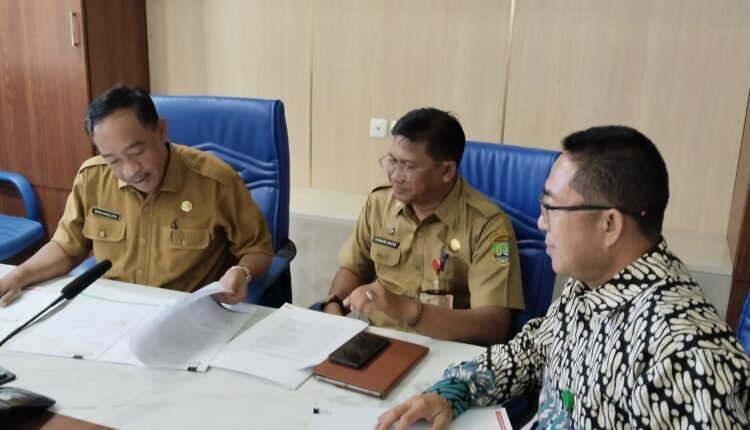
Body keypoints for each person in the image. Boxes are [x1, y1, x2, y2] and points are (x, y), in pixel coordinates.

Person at [377, 126, 750, 429]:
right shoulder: (591, 284)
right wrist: (450, 392)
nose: (540, 223)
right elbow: (532, 350)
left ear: (609, 224)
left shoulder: (686, 355)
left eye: (551, 208)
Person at [0, 85, 273, 306]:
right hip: (114, 313)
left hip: (184, 313)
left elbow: (257, 249)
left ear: (161, 131)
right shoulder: (92, 178)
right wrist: (18, 276)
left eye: (137, 152)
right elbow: (66, 248)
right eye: (113, 160)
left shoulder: (216, 181)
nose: (130, 170)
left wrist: (241, 272)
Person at [321, 108, 524, 346]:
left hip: (448, 351)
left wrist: (406, 309)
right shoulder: (379, 205)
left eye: (408, 166)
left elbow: (493, 326)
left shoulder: (488, 226)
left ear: (447, 171)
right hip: (379, 343)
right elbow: (353, 268)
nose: (395, 176)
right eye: (392, 161)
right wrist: (334, 305)